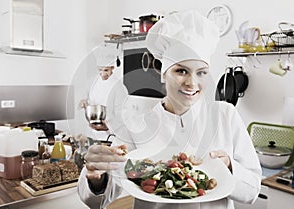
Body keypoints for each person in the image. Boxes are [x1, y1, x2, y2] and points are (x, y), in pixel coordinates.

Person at [77, 10, 262, 209]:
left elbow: (252, 190)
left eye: (201, 72)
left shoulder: (225, 115)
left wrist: (229, 166)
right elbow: (99, 199)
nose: (192, 83)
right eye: (181, 71)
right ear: (164, 74)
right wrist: (97, 177)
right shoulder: (136, 123)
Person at [79, 44, 129, 141]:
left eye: (106, 70)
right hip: (92, 134)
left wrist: (107, 127)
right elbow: (89, 100)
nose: (103, 74)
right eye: (100, 70)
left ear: (112, 68)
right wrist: (84, 102)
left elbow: (123, 117)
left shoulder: (119, 88)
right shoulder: (95, 82)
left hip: (110, 136)